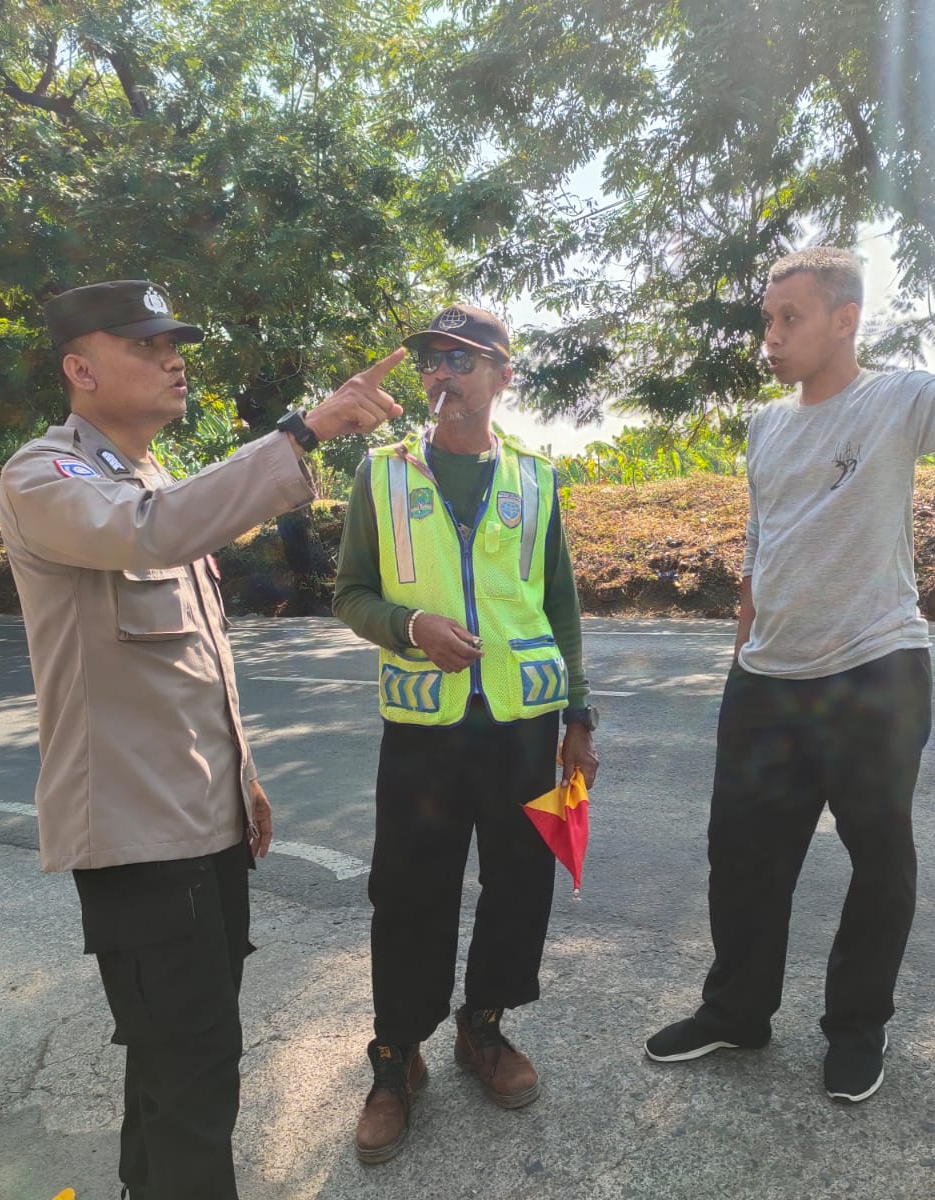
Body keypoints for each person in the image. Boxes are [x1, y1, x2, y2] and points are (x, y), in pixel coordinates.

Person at [644, 235, 935, 1102]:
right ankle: (737, 1011)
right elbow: (761, 547)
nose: (771, 336)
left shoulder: (895, 401)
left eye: (790, 318)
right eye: (767, 319)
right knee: (740, 855)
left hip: (874, 669)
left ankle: (855, 1027)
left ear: (845, 321)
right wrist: (742, 659)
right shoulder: (766, 425)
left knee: (879, 858)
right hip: (767, 679)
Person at [0, 278, 404, 1199]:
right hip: (136, 836)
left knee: (177, 1054)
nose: (172, 359)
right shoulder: (45, 476)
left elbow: (194, 669)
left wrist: (242, 781)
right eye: (144, 345)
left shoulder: (153, 484)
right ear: (80, 369)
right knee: (195, 1064)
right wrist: (302, 432)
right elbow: (153, 534)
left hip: (201, 821)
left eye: (173, 342)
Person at [331, 303, 601, 1164]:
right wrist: (410, 626)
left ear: (502, 376)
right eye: (431, 361)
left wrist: (579, 716)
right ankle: (395, 1054)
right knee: (408, 890)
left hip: (523, 723)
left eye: (463, 359)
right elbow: (349, 593)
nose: (442, 374)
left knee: (521, 880)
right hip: (424, 725)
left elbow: (559, 606)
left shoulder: (536, 478)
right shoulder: (382, 475)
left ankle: (482, 1026)